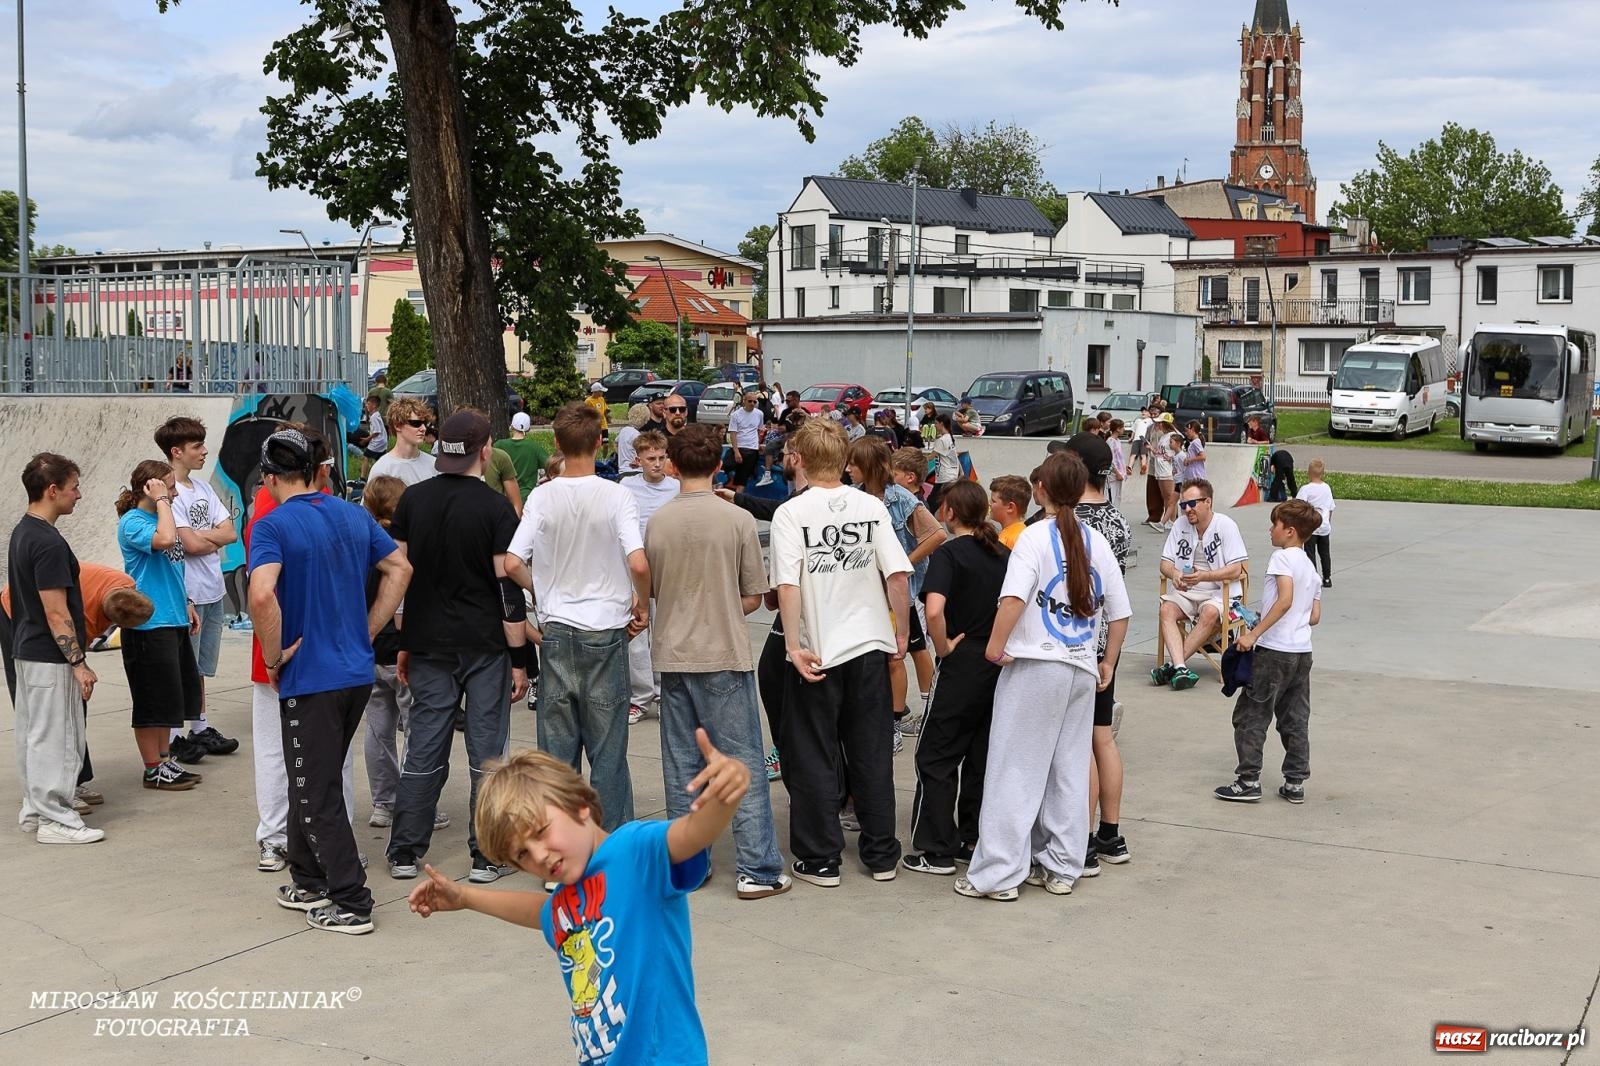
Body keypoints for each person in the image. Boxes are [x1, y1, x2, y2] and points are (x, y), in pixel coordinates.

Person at [406, 737, 749, 1064]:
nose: (539, 855)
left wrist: (728, 791)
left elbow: (693, 832)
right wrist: (465, 897)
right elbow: (543, 913)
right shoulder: (565, 899)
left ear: (580, 806)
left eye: (541, 831)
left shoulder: (635, 852)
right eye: (522, 854)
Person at [249, 428, 411, 934]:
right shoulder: (353, 514)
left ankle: (351, 901)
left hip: (312, 676)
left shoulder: (273, 525)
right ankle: (308, 880)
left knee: (315, 790)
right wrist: (369, 628)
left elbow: (260, 595)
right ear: (316, 471)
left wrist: (273, 656)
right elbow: (399, 567)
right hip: (354, 672)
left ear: (270, 478)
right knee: (310, 777)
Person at [956, 452, 1129, 901]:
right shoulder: (1095, 541)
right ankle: (1062, 866)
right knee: (1068, 770)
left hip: (1035, 664)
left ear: (1041, 490)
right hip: (1080, 667)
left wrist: (994, 647)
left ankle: (998, 873)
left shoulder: (1034, 537)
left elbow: (1013, 599)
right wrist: (1107, 661)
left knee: (1013, 768)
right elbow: (1120, 611)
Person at [385, 410, 530, 885]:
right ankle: (486, 855)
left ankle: (405, 850)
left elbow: (399, 578)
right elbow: (507, 589)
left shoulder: (413, 501)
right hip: (485, 645)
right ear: (485, 451)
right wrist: (520, 659)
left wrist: (404, 639)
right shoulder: (496, 509)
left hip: (427, 643)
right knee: (487, 754)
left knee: (424, 747)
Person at [645, 425, 790, 899]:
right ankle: (757, 868)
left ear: (672, 466)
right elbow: (753, 595)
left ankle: (688, 865)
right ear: (718, 466)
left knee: (682, 767)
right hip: (723, 651)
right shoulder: (737, 520)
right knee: (741, 762)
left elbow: (654, 588)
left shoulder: (658, 522)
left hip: (673, 654)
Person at [769, 419, 912, 887]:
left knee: (813, 751)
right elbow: (897, 575)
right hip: (869, 644)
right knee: (871, 751)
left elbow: (787, 584)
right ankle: (881, 853)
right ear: (845, 460)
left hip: (820, 651)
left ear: (801, 460)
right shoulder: (871, 506)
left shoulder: (791, 513)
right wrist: (900, 635)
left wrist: (793, 645)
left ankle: (820, 857)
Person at [506, 402, 649, 831]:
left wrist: (542, 592)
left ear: (558, 443)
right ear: (600, 442)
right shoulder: (617, 495)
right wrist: (642, 603)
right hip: (605, 628)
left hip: (558, 629)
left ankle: (559, 844)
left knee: (557, 754)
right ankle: (611, 845)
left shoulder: (542, 496)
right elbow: (638, 562)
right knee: (608, 753)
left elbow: (512, 562)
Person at [242, 427, 361, 874]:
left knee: (300, 754)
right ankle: (289, 839)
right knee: (306, 755)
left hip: (304, 654)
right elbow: (263, 594)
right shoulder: (282, 511)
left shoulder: (284, 507)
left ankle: (305, 841)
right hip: (297, 654)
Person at [902, 480, 1008, 876]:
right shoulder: (1003, 553)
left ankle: (937, 848)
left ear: (949, 512)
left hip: (962, 660)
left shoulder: (949, 554)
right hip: (996, 661)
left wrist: (943, 645)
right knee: (980, 755)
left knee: (936, 755)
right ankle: (971, 837)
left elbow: (933, 610)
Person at [2, 563, 152, 818]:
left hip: (52, 614)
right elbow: (64, 632)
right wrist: (80, 667)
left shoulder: (125, 584)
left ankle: (75, 780)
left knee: (72, 706)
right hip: (17, 611)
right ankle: (52, 792)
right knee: (49, 708)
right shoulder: (87, 616)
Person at [9, 454, 105, 843]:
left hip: (27, 650)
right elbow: (55, 611)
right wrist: (79, 663)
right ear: (53, 490)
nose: (78, 495)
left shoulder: (23, 531)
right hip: (49, 656)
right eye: (74, 487)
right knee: (59, 738)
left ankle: (36, 811)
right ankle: (57, 821)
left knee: (35, 735)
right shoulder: (47, 542)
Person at [1059, 433, 1134, 872]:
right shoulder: (1117, 519)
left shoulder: (1069, 521)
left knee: (1080, 743)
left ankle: (1083, 840)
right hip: (1109, 640)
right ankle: (1111, 832)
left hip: (1075, 641)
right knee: (1101, 736)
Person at [1215, 500, 1322, 804]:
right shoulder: (1310, 567)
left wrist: (1254, 633)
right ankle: (1295, 782)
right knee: (1295, 717)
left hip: (1274, 651)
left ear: (1290, 531)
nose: (1270, 529)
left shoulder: (1282, 558)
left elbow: (1285, 600)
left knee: (1251, 714)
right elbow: (1314, 616)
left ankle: (1248, 780)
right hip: (1301, 652)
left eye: (1275, 524)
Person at [154, 416, 241, 763]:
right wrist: (207, 538)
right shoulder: (168, 493)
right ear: (177, 451)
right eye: (197, 446)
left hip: (213, 589)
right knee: (182, 668)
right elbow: (187, 544)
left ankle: (200, 726)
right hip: (187, 594)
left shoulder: (203, 488)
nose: (205, 451)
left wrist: (202, 538)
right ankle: (174, 736)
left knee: (200, 668)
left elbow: (230, 533)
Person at [115, 459, 205, 792]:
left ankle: (165, 760)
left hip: (172, 618)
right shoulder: (133, 522)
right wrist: (162, 501)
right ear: (150, 489)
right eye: (168, 487)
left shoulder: (161, 516)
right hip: (148, 626)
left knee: (170, 698)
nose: (174, 493)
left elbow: (174, 567)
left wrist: (187, 603)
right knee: (150, 700)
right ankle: (152, 768)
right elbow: (166, 541)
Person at [849, 440, 945, 748]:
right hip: (867, 592)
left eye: (854, 463)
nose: (847, 469)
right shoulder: (853, 496)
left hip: (899, 594)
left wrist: (903, 563)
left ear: (868, 466)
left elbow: (937, 534)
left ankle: (901, 721)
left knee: (899, 656)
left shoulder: (900, 498)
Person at [1153, 478, 1249, 692]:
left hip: (1220, 593)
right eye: (1183, 505)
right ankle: (1180, 667)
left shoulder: (1225, 525)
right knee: (1166, 609)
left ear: (1208, 502)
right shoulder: (1180, 525)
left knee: (1209, 612)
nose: (1187, 510)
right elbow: (1164, 563)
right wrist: (1175, 573)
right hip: (1187, 591)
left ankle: (1172, 666)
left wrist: (1204, 576)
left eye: (1192, 504)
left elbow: (1236, 569)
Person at [623, 431, 679, 724]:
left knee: (665, 632)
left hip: (667, 567)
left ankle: (664, 691)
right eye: (651, 459)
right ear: (639, 460)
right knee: (636, 634)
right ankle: (640, 696)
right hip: (636, 566)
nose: (657, 464)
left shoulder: (676, 487)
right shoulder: (627, 486)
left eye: (661, 458)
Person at [370, 397, 438, 486]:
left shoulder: (434, 465)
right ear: (397, 426)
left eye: (424, 423)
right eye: (416, 423)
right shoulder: (382, 469)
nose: (423, 428)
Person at [1296, 458, 1335, 587]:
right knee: (1325, 553)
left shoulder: (1306, 489)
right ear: (1323, 473)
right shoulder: (1327, 488)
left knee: (1310, 553)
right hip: (1324, 527)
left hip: (1310, 527)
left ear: (1308, 472)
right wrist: (1328, 522)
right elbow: (1330, 508)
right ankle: (1327, 578)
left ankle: (1313, 577)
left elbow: (1299, 506)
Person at [496, 411, 550, 499]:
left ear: (512, 426)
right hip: (527, 497)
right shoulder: (534, 447)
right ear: (528, 429)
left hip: (504, 497)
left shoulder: (499, 445)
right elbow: (552, 466)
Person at [726, 388, 764, 490]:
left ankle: (738, 493)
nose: (752, 404)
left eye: (754, 402)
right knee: (727, 464)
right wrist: (736, 451)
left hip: (752, 448)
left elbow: (760, 430)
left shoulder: (759, 414)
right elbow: (733, 433)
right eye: (750, 401)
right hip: (740, 446)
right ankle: (731, 482)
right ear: (744, 401)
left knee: (743, 478)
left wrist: (758, 443)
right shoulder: (736, 415)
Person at [926, 413, 961, 513]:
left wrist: (916, 459)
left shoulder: (942, 440)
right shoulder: (949, 437)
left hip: (944, 477)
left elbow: (931, 456)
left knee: (932, 501)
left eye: (936, 423)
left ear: (941, 424)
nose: (935, 426)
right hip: (951, 475)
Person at [989, 475, 1030, 550]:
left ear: (1010, 507)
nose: (989, 503)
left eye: (993, 501)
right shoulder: (1022, 532)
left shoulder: (1012, 540)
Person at [613, 403, 650, 472]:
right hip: (635, 470)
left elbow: (615, 443)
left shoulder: (623, 430)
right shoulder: (637, 435)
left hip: (622, 469)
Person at [361, 394, 389, 473]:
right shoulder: (377, 414)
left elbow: (377, 431)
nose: (366, 405)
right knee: (380, 460)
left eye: (368, 404)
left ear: (374, 405)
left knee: (365, 457)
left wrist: (367, 439)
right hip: (383, 441)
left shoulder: (373, 417)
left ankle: (362, 477)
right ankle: (383, 474)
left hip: (378, 442)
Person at [1106, 418, 1129, 511]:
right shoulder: (1110, 441)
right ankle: (1111, 512)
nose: (1124, 429)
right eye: (1122, 427)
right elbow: (1110, 459)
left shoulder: (1118, 441)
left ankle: (1116, 512)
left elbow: (1119, 458)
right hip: (1114, 473)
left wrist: (1124, 468)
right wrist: (1117, 472)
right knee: (1112, 494)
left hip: (1119, 472)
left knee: (1118, 496)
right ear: (1118, 429)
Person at [585, 381, 612, 451]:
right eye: (601, 391)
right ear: (596, 392)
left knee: (606, 444)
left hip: (603, 425)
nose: (602, 393)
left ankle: (605, 457)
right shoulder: (588, 401)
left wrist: (607, 416)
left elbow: (605, 409)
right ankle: (594, 457)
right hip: (594, 426)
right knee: (595, 445)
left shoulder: (602, 399)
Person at [1180, 420, 1208, 486]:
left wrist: (1189, 460)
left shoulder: (1196, 442)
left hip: (1196, 475)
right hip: (1192, 475)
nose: (1186, 433)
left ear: (1192, 429)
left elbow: (1203, 456)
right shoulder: (1193, 443)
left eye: (1187, 431)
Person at [1130, 407, 1153, 475]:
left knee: (1143, 454)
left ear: (1149, 414)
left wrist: (1150, 440)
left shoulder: (1150, 420)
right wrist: (1131, 438)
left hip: (1144, 439)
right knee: (1133, 454)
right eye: (1142, 411)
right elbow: (1134, 430)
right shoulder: (1137, 420)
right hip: (1136, 439)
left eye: (1145, 411)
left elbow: (1151, 431)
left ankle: (1143, 466)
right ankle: (1129, 467)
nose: (1143, 413)